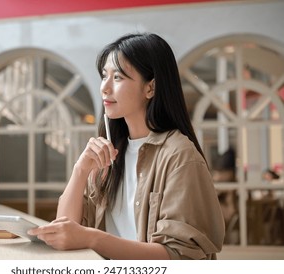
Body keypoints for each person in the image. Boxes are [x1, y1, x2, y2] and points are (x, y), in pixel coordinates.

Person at [28, 32, 225, 259]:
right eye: (104, 76)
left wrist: (93, 238)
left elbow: (178, 256)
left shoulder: (179, 155)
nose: (104, 87)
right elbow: (65, 233)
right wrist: (80, 170)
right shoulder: (107, 155)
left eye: (118, 77)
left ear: (150, 88)